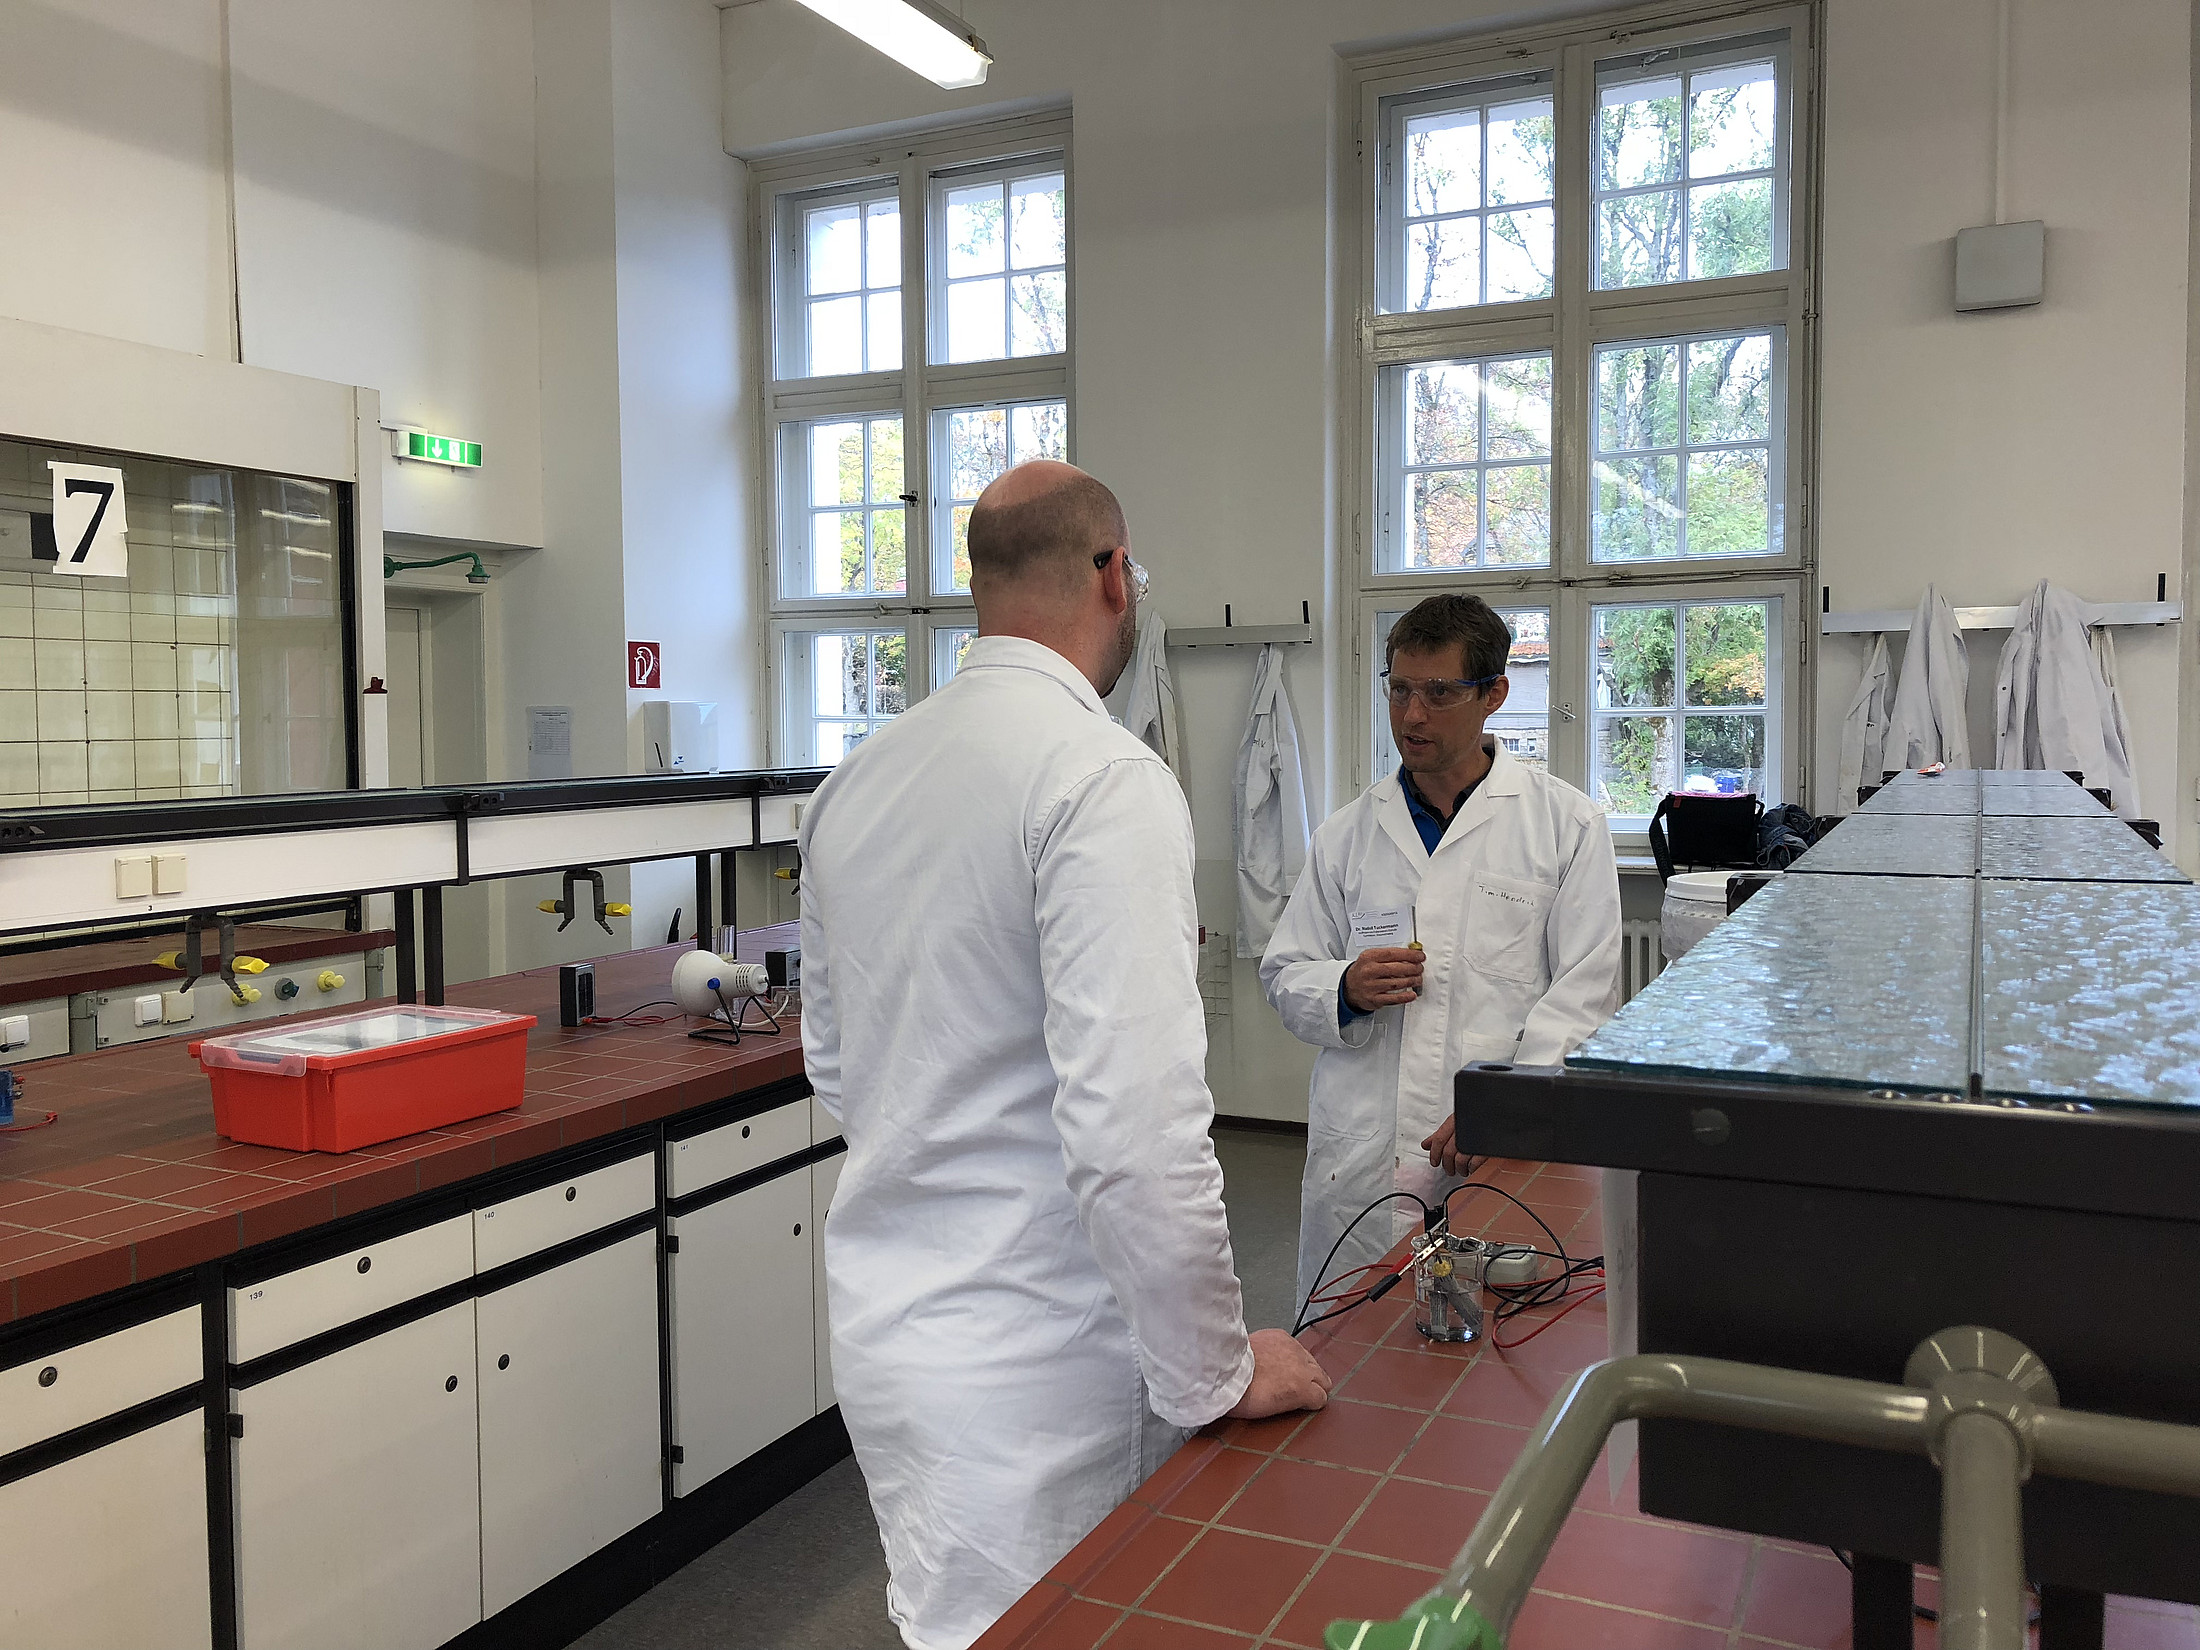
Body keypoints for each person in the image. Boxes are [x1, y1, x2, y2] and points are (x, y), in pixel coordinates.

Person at [799, 459, 1331, 1650]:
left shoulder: (855, 781)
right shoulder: (1099, 779)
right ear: (1112, 575)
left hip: (896, 1345)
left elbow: (835, 1071)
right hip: (1048, 1369)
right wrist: (1215, 1372)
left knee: (949, 1624)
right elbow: (1136, 1133)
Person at [1260, 594, 1623, 1308]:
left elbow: (1585, 998)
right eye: (1399, 689)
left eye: (1438, 692)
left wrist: (1504, 1106)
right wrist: (1344, 988)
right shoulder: (1347, 835)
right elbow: (1285, 972)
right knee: (1350, 1338)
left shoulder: (1566, 826)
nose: (1412, 716)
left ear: (1494, 694)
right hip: (1362, 1155)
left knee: (1496, 1347)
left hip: (1493, 1150)